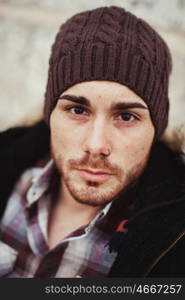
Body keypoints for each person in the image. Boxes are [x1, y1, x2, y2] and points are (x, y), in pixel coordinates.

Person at [0, 6, 185, 278]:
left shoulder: (175, 243)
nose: (96, 145)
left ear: (155, 129)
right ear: (50, 114)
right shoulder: (9, 170)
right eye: (77, 110)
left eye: (126, 116)